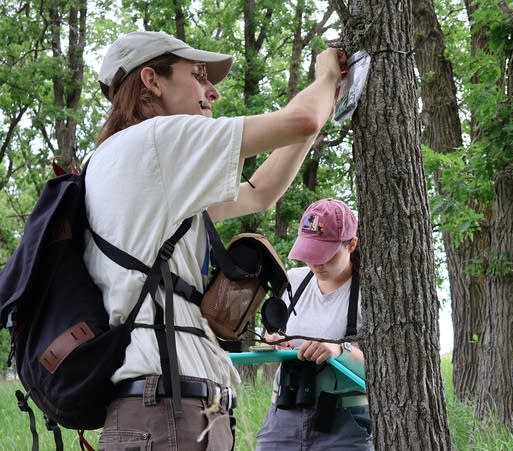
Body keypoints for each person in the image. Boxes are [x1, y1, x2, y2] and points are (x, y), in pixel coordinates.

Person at [84, 30, 345, 450]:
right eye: (198, 75)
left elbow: (260, 191)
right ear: (151, 81)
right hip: (171, 410)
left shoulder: (121, 164)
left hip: (162, 409)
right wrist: (326, 78)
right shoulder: (157, 141)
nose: (212, 91)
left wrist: (318, 109)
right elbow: (302, 119)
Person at [256, 198, 373, 450]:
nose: (316, 264)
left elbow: (388, 373)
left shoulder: (370, 293)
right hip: (283, 416)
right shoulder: (292, 282)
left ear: (352, 244)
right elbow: (267, 348)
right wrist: (271, 341)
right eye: (310, 254)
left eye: (326, 256)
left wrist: (339, 351)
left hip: (345, 422)